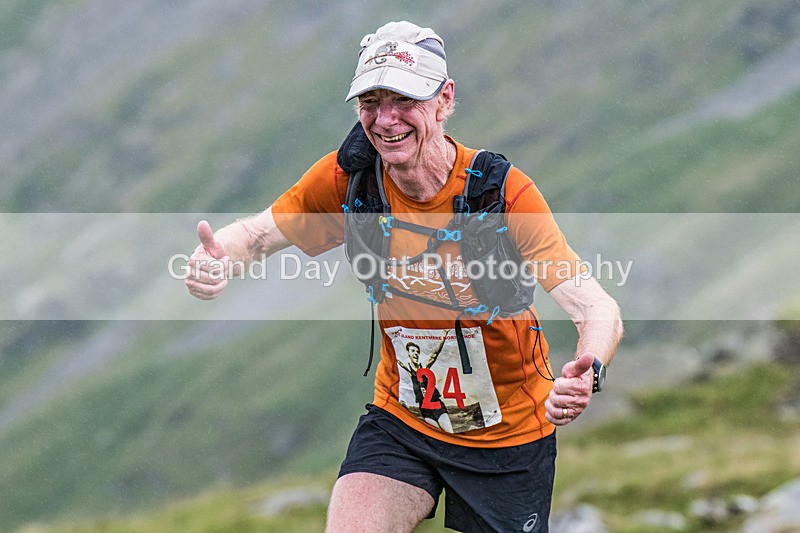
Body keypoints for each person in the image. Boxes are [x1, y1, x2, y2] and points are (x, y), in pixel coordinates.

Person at [185, 21, 623, 533]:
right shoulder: (350, 182)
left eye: (405, 100)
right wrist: (220, 260)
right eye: (370, 101)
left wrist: (586, 371)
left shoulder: (500, 194)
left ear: (444, 100)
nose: (386, 120)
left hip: (508, 437)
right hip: (404, 418)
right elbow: (258, 235)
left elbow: (596, 308)